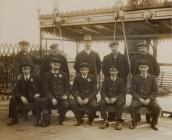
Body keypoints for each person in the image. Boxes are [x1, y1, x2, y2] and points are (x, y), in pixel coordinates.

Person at [131, 41, 160, 122]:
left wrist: (152, 78)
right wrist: (136, 78)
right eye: (140, 48)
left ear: (146, 48)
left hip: (149, 82)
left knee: (150, 101)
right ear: (138, 50)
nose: (141, 50)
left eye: (143, 48)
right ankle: (137, 117)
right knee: (136, 101)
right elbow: (132, 69)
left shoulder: (151, 58)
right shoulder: (134, 58)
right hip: (138, 81)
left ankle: (149, 118)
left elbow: (157, 69)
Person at [129, 60, 161, 131]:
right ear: (139, 68)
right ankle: (134, 122)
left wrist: (149, 99)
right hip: (138, 99)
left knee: (157, 107)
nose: (143, 69)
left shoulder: (153, 78)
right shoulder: (135, 78)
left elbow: (155, 91)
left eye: (145, 67)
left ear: (148, 68)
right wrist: (140, 99)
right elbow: (132, 91)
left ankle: (154, 124)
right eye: (141, 67)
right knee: (132, 106)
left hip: (149, 99)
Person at [102, 41, 129, 121]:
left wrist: (120, 78)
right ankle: (111, 116)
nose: (114, 48)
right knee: (110, 97)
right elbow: (104, 69)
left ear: (118, 47)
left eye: (116, 46)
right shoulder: (106, 57)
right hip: (110, 81)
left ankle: (119, 117)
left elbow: (127, 69)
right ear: (110, 48)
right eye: (112, 47)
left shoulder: (124, 57)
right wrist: (110, 77)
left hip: (121, 81)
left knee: (119, 99)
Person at [41, 58, 71, 127]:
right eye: (54, 65)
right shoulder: (47, 75)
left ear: (59, 66)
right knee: (43, 101)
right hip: (51, 97)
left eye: (57, 65)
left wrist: (66, 95)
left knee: (66, 104)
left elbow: (68, 88)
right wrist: (52, 98)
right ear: (51, 65)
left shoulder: (63, 74)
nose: (56, 67)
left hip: (61, 97)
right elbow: (45, 89)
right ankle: (46, 120)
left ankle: (61, 120)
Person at [99, 65, 125, 130]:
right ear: (109, 71)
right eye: (111, 71)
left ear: (117, 72)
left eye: (114, 71)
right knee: (101, 102)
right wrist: (105, 97)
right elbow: (102, 91)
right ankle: (105, 120)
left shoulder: (121, 80)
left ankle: (118, 121)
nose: (113, 72)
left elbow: (122, 93)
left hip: (117, 99)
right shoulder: (106, 79)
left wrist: (116, 98)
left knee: (119, 103)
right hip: (108, 98)